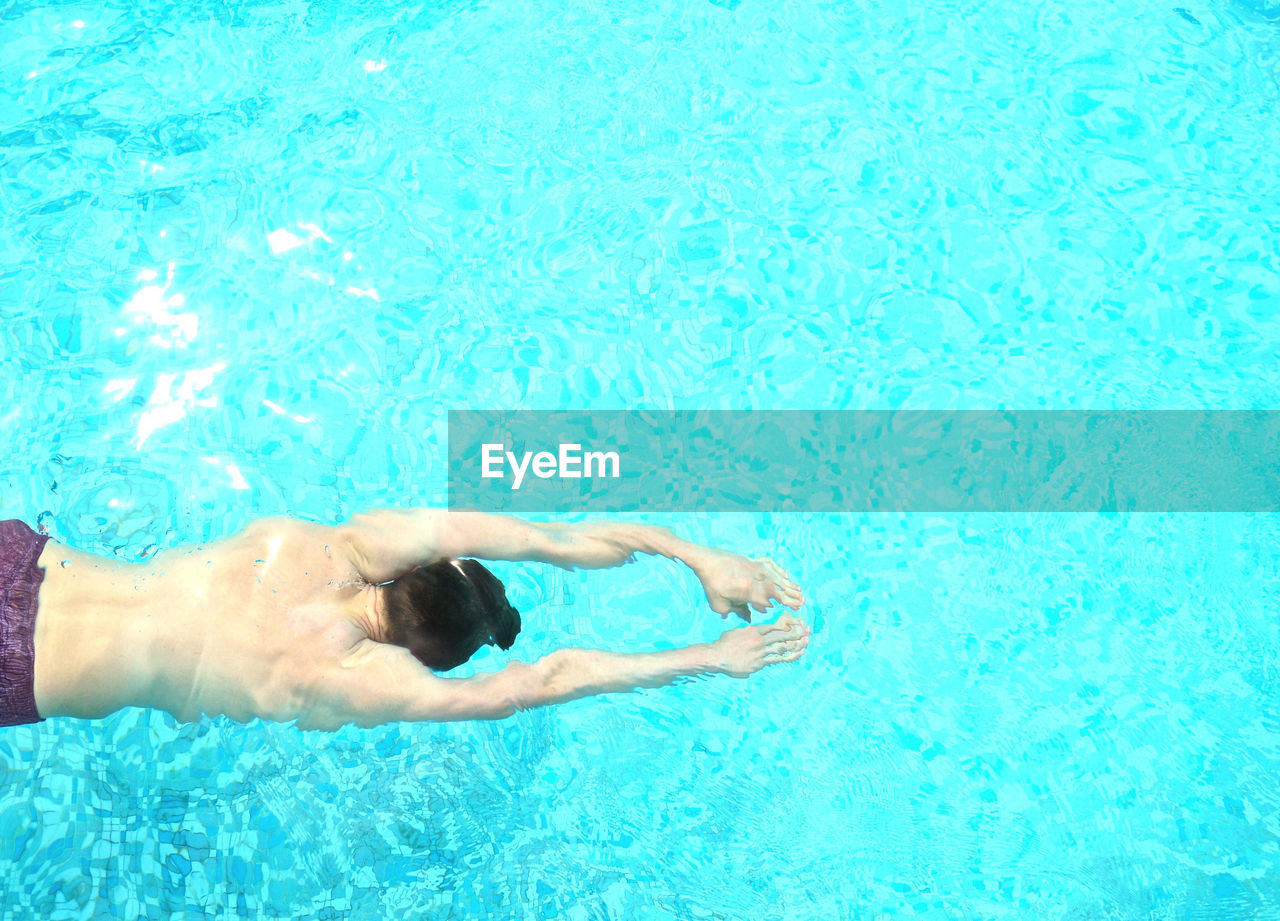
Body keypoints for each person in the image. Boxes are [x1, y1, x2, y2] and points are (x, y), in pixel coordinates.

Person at [0, 511, 809, 731]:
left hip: (26, 558)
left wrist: (691, 551)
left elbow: (542, 538)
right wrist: (711, 654)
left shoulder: (335, 543)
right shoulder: (350, 677)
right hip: (21, 671)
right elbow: (543, 680)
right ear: (427, 655)